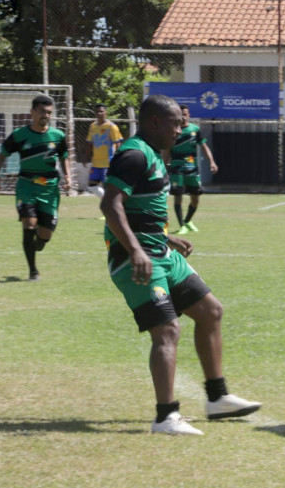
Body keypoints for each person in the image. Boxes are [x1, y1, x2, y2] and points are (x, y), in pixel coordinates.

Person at [100, 94, 259, 436]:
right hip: (135, 260)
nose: (181, 128)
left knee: (210, 311)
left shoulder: (155, 155)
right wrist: (136, 251)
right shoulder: (133, 153)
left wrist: (167, 239)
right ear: (154, 122)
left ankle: (217, 398)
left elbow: (140, 209)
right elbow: (111, 206)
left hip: (161, 252)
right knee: (168, 330)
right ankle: (166, 417)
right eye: (176, 123)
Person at [0, 94, 71, 281]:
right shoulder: (19, 135)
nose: (46, 115)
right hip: (26, 186)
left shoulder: (58, 136)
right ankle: (33, 271)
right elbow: (2, 155)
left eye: (49, 112)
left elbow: (64, 156)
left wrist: (67, 176)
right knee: (28, 223)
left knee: (45, 235)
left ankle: (40, 238)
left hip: (49, 188)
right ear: (32, 112)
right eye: (42, 111)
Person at [168, 104, 217, 234]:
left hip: (192, 169)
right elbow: (166, 151)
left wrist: (212, 162)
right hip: (176, 169)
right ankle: (181, 225)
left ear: (189, 115)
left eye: (185, 114)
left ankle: (188, 221)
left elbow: (204, 147)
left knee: (195, 198)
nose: (183, 116)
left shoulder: (195, 129)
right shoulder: (172, 130)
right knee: (178, 196)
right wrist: (162, 166)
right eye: (181, 114)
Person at [85, 103, 124, 200]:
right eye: (97, 111)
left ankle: (111, 208)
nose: (99, 113)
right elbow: (90, 143)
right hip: (96, 163)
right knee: (92, 186)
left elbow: (118, 143)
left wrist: (117, 159)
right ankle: (108, 203)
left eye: (101, 111)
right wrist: (85, 157)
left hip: (108, 163)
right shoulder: (93, 126)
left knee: (108, 188)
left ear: (105, 112)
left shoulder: (111, 127)